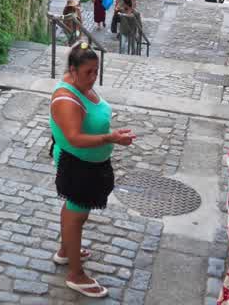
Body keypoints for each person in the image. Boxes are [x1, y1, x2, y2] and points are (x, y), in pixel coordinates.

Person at [50, 45, 136, 298]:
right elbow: (74, 137)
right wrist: (110, 138)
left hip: (89, 164)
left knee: (75, 211)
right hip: (77, 165)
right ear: (73, 71)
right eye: (88, 72)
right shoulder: (67, 99)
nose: (93, 77)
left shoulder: (82, 85)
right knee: (76, 216)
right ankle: (76, 275)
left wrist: (110, 136)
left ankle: (66, 251)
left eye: (96, 71)